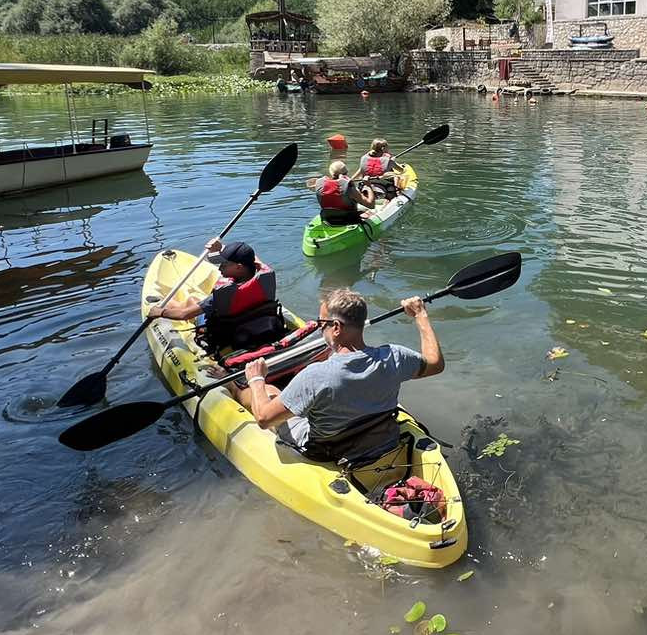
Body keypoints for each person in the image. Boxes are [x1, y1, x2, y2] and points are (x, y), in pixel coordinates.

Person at [232, 287, 442, 459]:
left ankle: (231, 388)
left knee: (268, 390)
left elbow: (264, 419)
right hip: (379, 437)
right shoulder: (395, 356)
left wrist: (256, 379)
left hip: (326, 450)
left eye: (321, 324)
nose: (319, 329)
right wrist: (420, 315)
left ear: (336, 328)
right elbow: (435, 364)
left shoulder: (314, 376)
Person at [150, 240, 279, 352]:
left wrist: (160, 312)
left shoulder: (224, 295)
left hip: (229, 335)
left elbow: (183, 315)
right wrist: (222, 248)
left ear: (239, 267)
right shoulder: (265, 277)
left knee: (191, 300)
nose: (219, 268)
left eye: (224, 264)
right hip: (260, 323)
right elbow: (253, 257)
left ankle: (168, 304)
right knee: (196, 300)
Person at [309, 159, 376, 224]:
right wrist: (368, 186)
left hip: (327, 219)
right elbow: (371, 205)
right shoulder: (349, 188)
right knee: (370, 211)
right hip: (348, 219)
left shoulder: (320, 185)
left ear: (331, 173)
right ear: (345, 173)